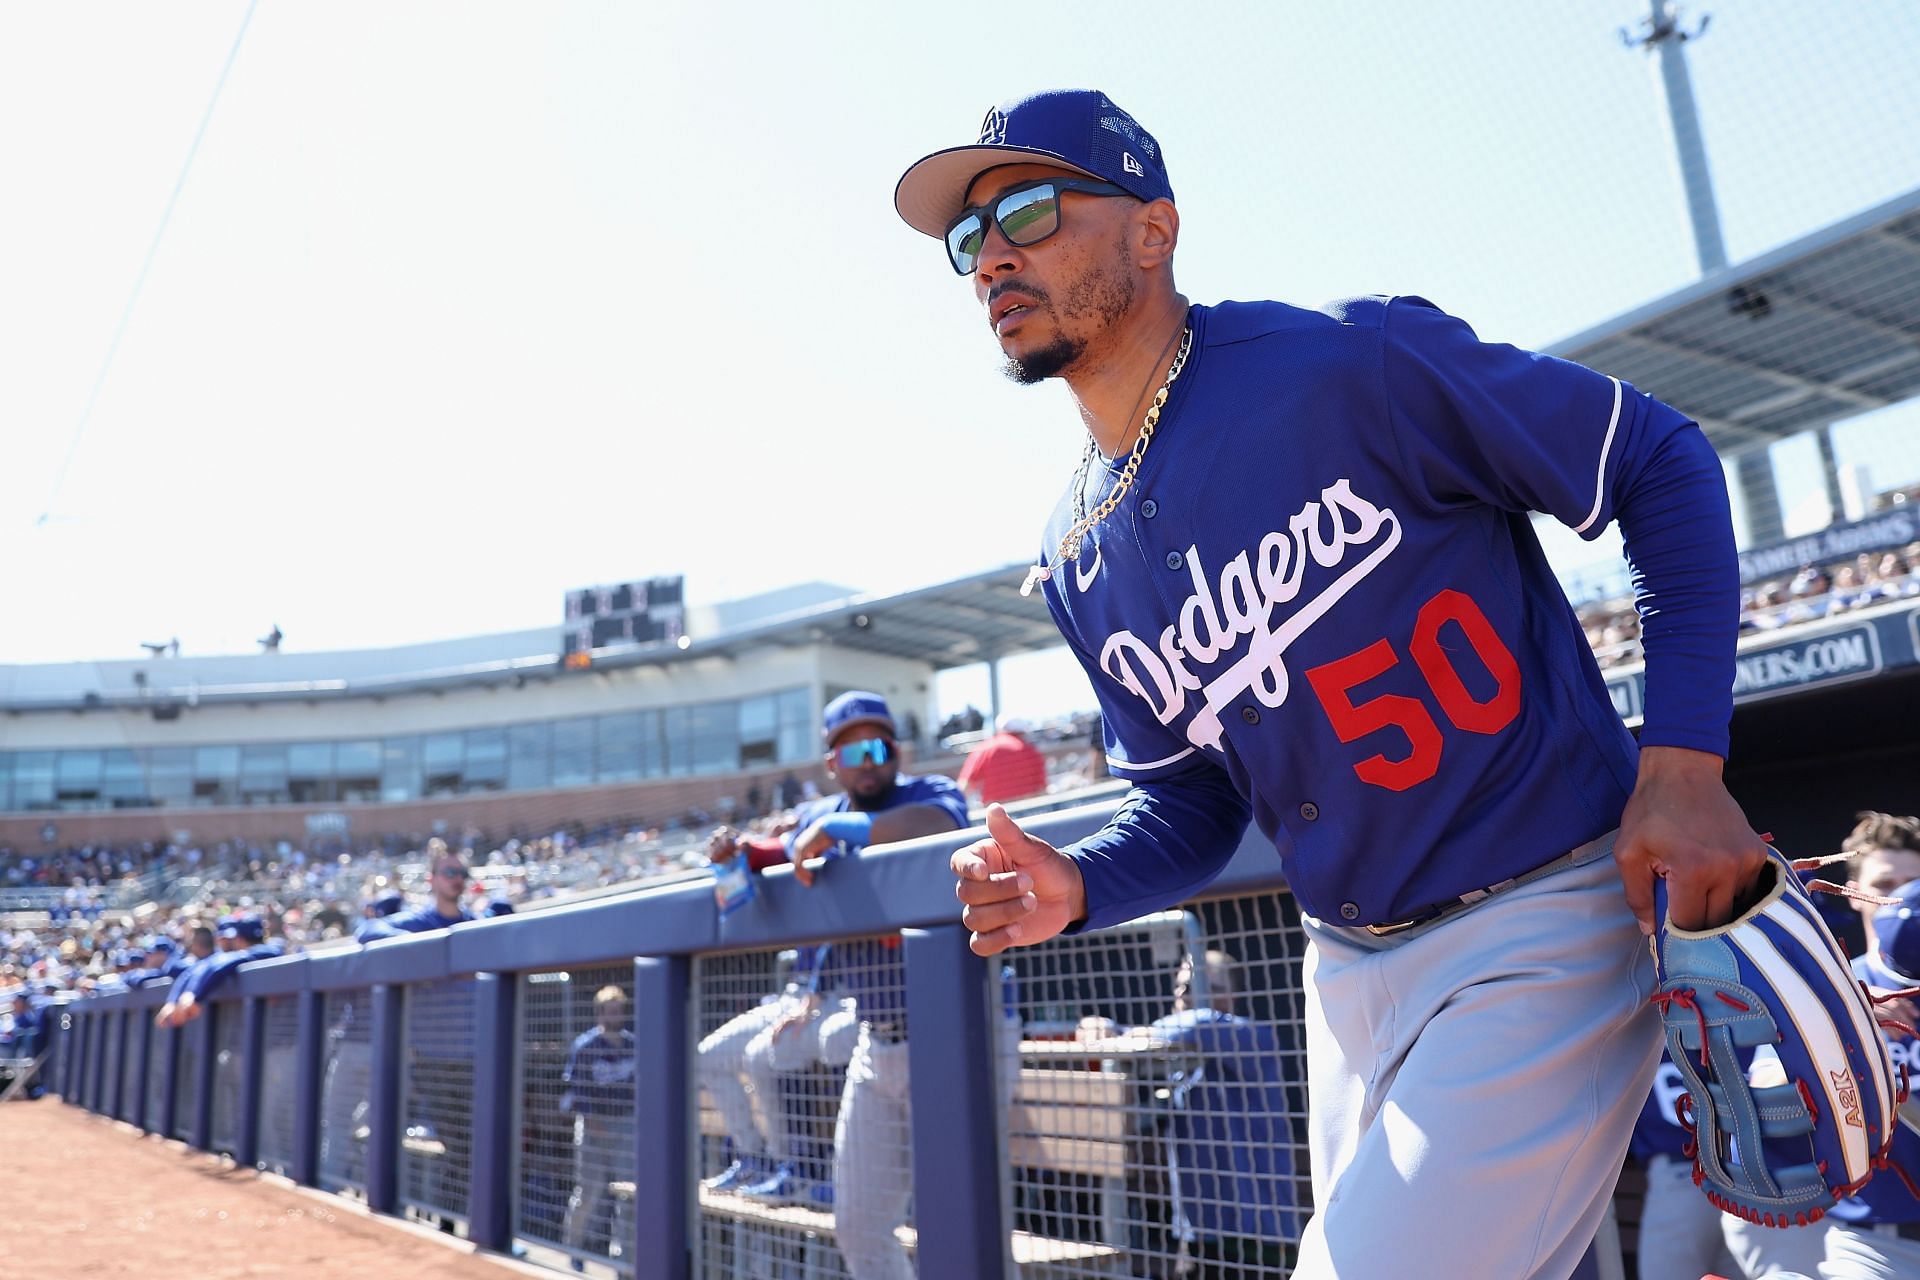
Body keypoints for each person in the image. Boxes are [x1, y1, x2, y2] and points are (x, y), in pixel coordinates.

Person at [901, 89, 1764, 1279]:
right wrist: (1080, 884)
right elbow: (1194, 803)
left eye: (1032, 210)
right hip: (1344, 972)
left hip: (1539, 916)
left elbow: (1655, 456)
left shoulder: (1350, 360)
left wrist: (1681, 761)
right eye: (970, 238)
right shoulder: (1072, 553)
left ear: (1154, 230)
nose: (992, 253)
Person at [1076, 950, 1299, 1278]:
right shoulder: (1178, 1049)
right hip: (1196, 1232)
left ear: (1228, 994)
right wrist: (1100, 1027)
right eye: (1180, 983)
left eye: (1198, 984)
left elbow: (1198, 1025)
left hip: (1258, 1237)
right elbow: (1150, 1037)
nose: (1182, 992)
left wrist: (1116, 1032)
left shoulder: (1252, 1037)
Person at [561, 985, 637, 1266]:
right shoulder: (586, 1046)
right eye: (610, 1011)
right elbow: (574, 1091)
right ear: (600, 1013)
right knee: (590, 1193)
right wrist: (593, 1121)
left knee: (628, 1194)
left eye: (619, 1010)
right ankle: (574, 1250)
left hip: (626, 1125)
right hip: (593, 1126)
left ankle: (623, 1259)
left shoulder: (633, 1044)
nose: (615, 1015)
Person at [355, 842, 475, 941]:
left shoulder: (474, 922)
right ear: (431, 879)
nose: (458, 879)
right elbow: (367, 929)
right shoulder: (420, 921)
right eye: (450, 872)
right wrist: (409, 941)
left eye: (463, 873)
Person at [956, 715, 1050, 807]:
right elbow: (1042, 789)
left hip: (996, 815)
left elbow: (964, 786)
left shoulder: (985, 749)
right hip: (1027, 812)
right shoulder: (1031, 751)